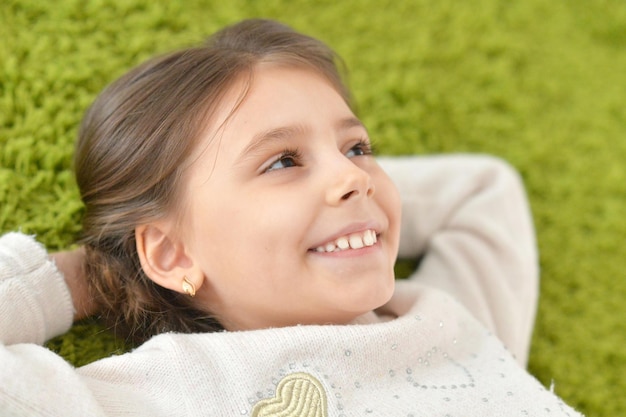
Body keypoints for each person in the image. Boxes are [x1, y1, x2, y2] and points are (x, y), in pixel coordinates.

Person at [0, 18, 581, 416]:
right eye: (282, 160)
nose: (356, 176)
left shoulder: (445, 323)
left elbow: (482, 191)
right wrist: (91, 273)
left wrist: (333, 188)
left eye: (358, 148)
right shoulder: (162, 394)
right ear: (172, 253)